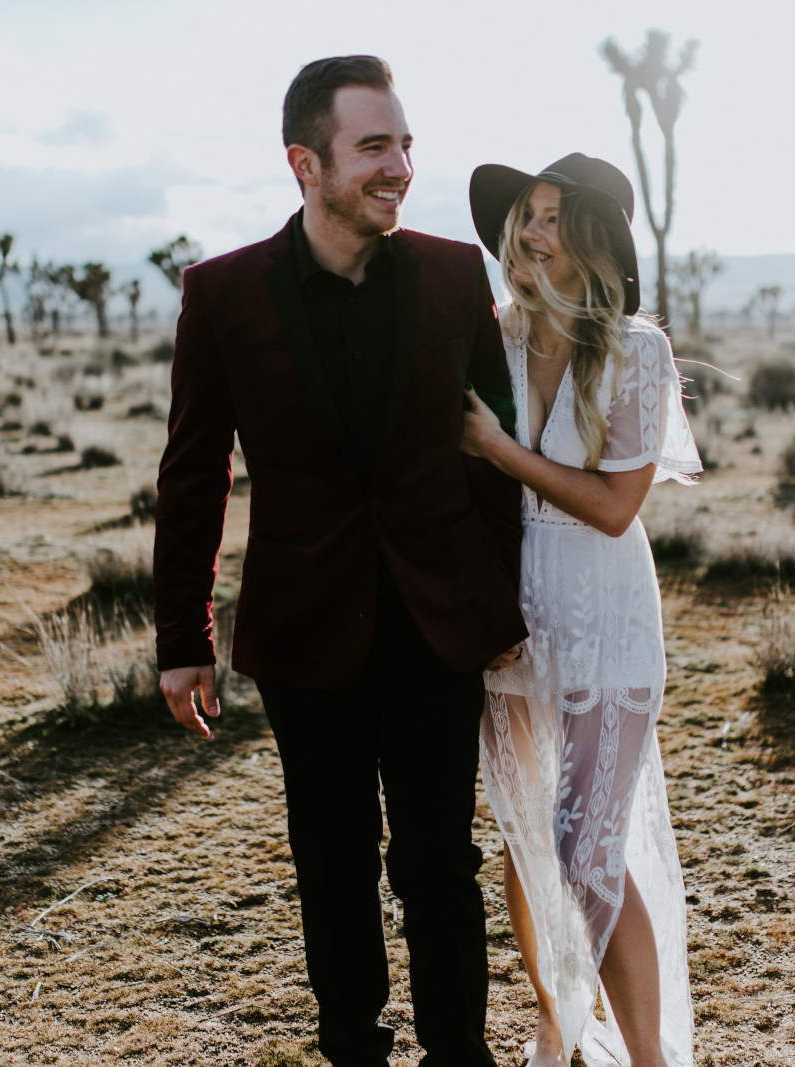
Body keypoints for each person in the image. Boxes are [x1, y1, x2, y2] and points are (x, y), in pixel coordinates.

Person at [151, 55, 526, 1067]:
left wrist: (494, 593)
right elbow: (192, 473)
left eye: (404, 145)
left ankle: (461, 1053)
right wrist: (181, 638)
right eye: (374, 148)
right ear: (304, 162)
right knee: (331, 860)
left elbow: (496, 451)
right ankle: (353, 1047)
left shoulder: (454, 275)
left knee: (439, 859)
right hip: (304, 625)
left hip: (437, 618)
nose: (398, 165)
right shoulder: (223, 294)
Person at [461, 153, 701, 1067]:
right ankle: (557, 1025)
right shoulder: (498, 335)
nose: (531, 231)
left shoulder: (638, 350)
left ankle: (647, 1059)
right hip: (513, 615)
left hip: (605, 613)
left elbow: (611, 507)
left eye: (554, 217)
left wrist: (493, 444)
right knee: (526, 837)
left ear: (593, 238)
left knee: (584, 848)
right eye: (527, 213)